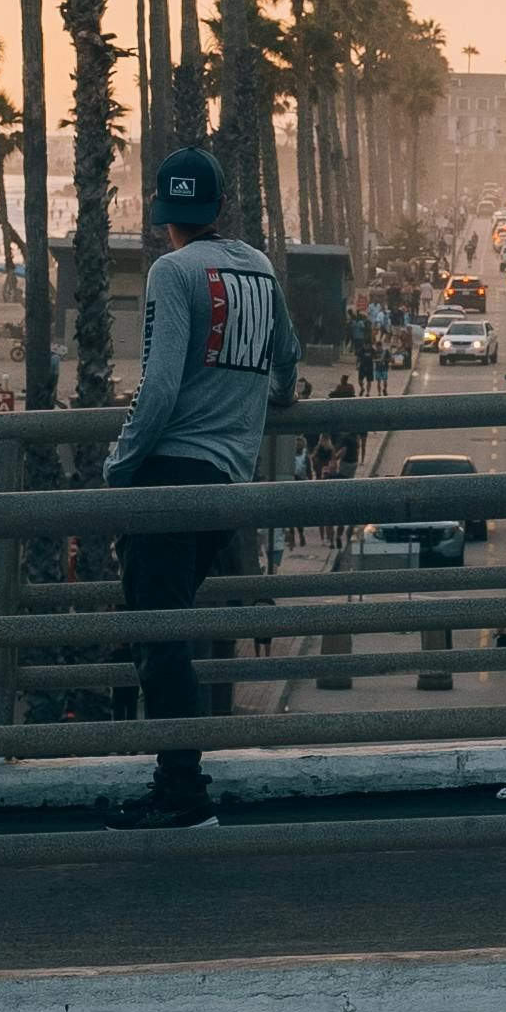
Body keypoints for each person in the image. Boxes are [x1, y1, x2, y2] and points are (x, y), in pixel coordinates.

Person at [103, 145, 298, 830]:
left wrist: (119, 467)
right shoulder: (260, 268)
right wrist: (271, 399)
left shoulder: (172, 272)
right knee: (175, 632)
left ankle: (181, 792)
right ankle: (178, 782)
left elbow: (156, 390)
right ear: (219, 209)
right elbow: (288, 362)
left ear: (163, 217)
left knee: (159, 641)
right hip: (227, 484)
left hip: (166, 477)